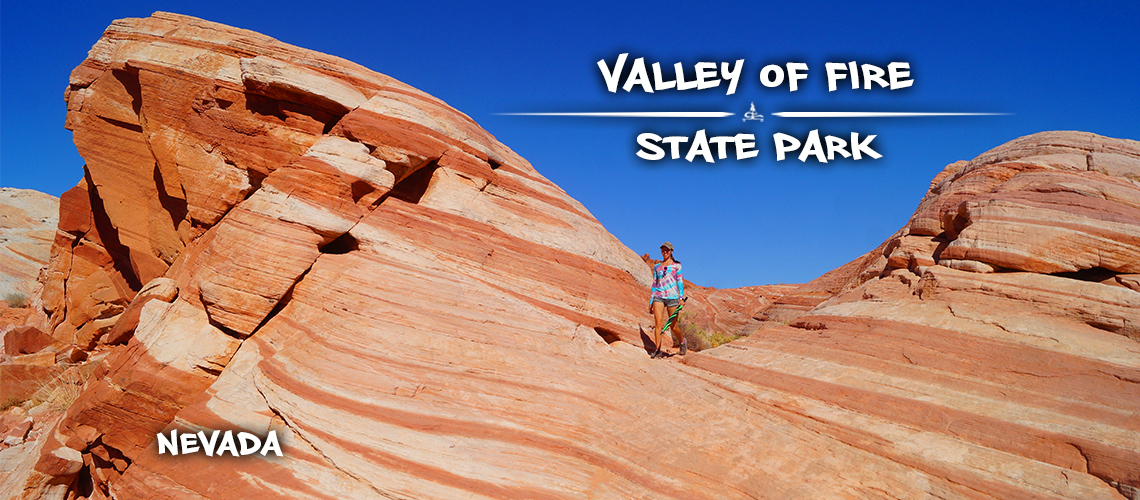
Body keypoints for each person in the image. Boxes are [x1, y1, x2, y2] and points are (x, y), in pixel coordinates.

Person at [649, 242, 686, 358]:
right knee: (658, 323)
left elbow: (679, 282)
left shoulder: (677, 266)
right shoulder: (657, 267)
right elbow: (655, 283)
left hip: (673, 298)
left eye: (667, 250)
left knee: (673, 326)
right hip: (658, 297)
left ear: (671, 252)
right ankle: (658, 349)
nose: (665, 252)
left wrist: (681, 298)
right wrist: (651, 301)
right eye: (663, 250)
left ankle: (682, 341)